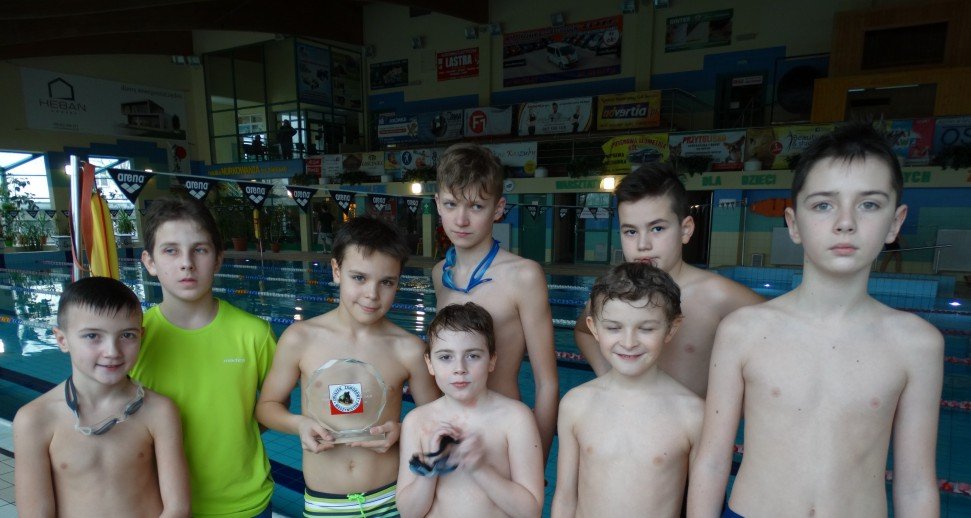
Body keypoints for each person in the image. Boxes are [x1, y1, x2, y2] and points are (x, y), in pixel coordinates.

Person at [689, 123, 943, 517]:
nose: (845, 222)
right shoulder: (743, 331)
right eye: (823, 205)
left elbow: (915, 485)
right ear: (793, 223)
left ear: (895, 222)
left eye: (869, 204)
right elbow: (712, 461)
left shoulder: (917, 344)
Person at [256, 217, 440, 517]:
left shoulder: (408, 349)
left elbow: (438, 419)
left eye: (387, 282)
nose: (372, 294)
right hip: (325, 503)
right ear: (336, 270)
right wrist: (299, 424)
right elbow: (266, 407)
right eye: (359, 278)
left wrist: (402, 430)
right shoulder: (300, 339)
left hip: (391, 499)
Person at [131, 197, 278, 517]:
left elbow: (273, 407)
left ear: (218, 259)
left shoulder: (254, 334)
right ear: (149, 262)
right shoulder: (134, 339)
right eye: (171, 250)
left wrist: (232, 433)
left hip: (244, 504)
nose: (187, 263)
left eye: (199, 249)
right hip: (160, 506)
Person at [574, 163, 763, 398]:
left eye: (657, 229)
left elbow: (784, 338)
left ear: (685, 230)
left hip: (692, 420)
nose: (643, 245)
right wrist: (609, 377)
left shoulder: (720, 296)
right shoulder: (614, 293)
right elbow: (584, 331)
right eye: (631, 231)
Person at [14, 276, 190, 517]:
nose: (112, 351)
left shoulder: (159, 410)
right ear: (62, 340)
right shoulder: (35, 419)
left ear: (141, 336)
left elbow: (178, 508)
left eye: (127, 335)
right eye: (92, 336)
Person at [432, 142, 559, 461]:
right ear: (437, 204)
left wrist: (536, 464)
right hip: (451, 437)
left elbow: (547, 384)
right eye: (451, 204)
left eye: (476, 206)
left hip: (503, 436)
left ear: (498, 208)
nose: (461, 220)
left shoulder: (524, 276)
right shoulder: (439, 274)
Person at [552, 263, 702, 518]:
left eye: (646, 328)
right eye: (613, 328)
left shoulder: (692, 413)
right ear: (593, 327)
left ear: (671, 328)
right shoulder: (576, 404)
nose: (629, 342)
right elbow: (565, 497)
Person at [397, 302, 544, 518]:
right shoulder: (417, 422)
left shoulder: (515, 418)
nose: (460, 369)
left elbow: (530, 512)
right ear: (429, 363)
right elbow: (409, 513)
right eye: (445, 357)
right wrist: (431, 464)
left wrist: (480, 468)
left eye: (472, 356)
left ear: (491, 360)